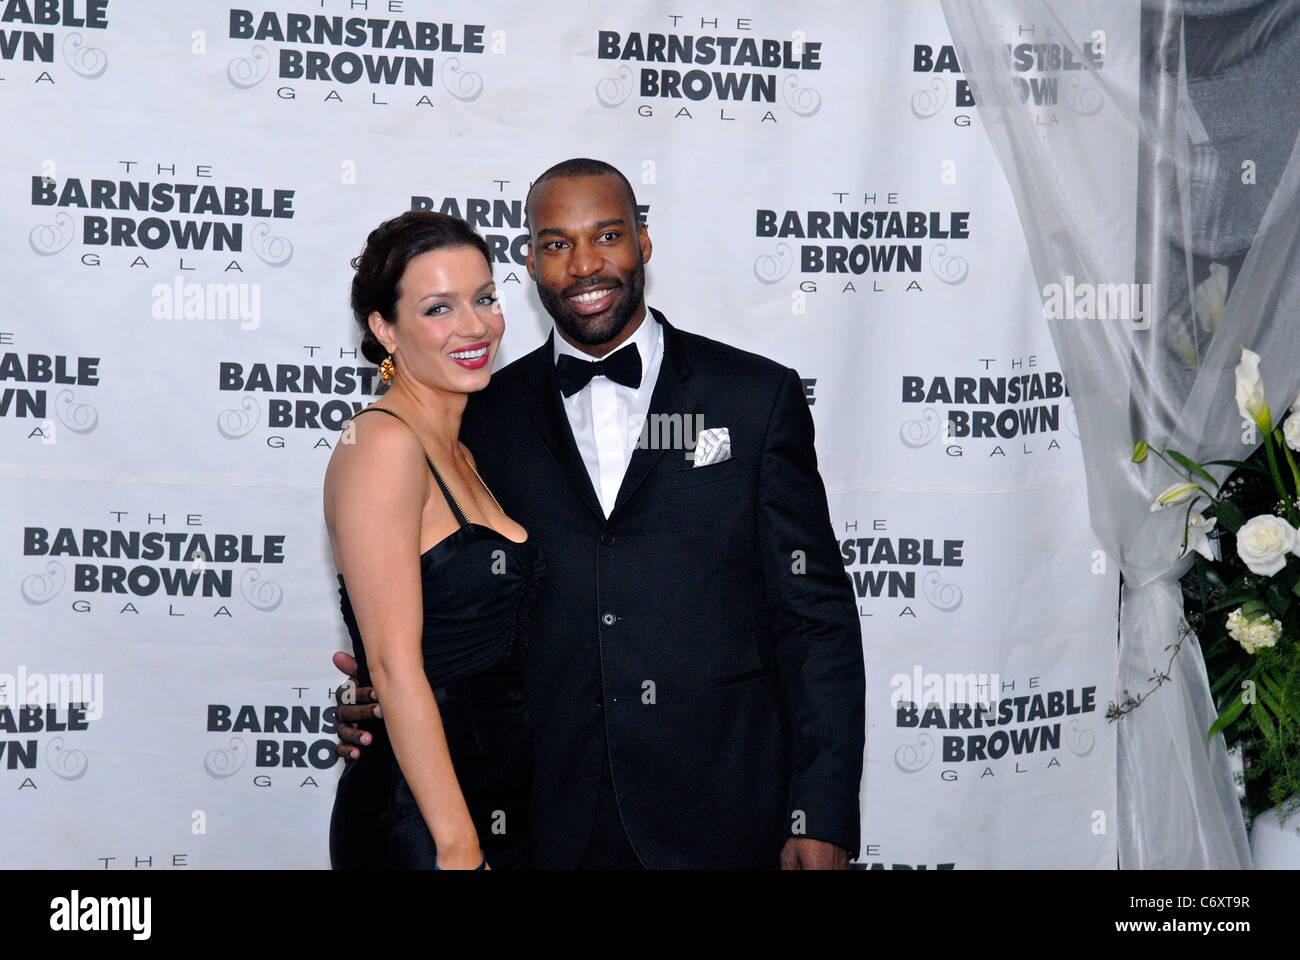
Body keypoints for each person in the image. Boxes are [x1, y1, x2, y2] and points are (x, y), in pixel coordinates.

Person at [334, 158, 864, 869]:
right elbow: (434, 601)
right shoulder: (479, 419)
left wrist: (821, 808)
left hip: (723, 812)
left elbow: (814, 619)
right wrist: (385, 698)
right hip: (540, 820)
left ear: (643, 242)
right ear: (531, 263)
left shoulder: (752, 399)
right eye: (556, 244)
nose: (585, 264)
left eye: (607, 235)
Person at [326, 210, 544, 870]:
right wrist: (458, 850)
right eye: (439, 308)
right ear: (385, 329)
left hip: (492, 803)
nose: (475, 326)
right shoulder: (384, 446)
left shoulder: (465, 448)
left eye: (484, 298)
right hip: (424, 825)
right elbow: (394, 668)